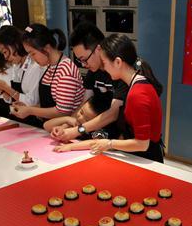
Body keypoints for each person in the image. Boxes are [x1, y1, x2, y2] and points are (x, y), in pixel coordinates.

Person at [55, 34, 164, 163]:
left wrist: (109, 143)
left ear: (118, 62)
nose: (105, 68)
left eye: (105, 63)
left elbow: (142, 144)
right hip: (137, 156)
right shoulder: (137, 85)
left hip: (146, 159)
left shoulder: (137, 94)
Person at [47, 22, 127, 142]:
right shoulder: (93, 72)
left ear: (98, 49)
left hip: (123, 138)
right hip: (101, 135)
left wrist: (77, 130)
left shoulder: (120, 70)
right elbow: (83, 104)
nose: (84, 65)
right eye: (80, 61)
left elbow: (113, 114)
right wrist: (65, 127)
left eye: (84, 59)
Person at [9, 24, 84, 123]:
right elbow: (48, 105)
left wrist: (30, 110)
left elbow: (63, 112)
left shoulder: (66, 71)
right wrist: (28, 107)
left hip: (65, 127)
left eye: (33, 53)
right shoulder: (50, 66)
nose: (31, 58)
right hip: (50, 126)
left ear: (47, 48)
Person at [0, 25, 44, 112]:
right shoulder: (16, 67)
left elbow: (32, 102)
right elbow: (14, 99)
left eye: (5, 52)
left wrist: (6, 88)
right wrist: (1, 90)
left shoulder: (34, 65)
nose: (5, 57)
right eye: (2, 54)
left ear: (15, 44)